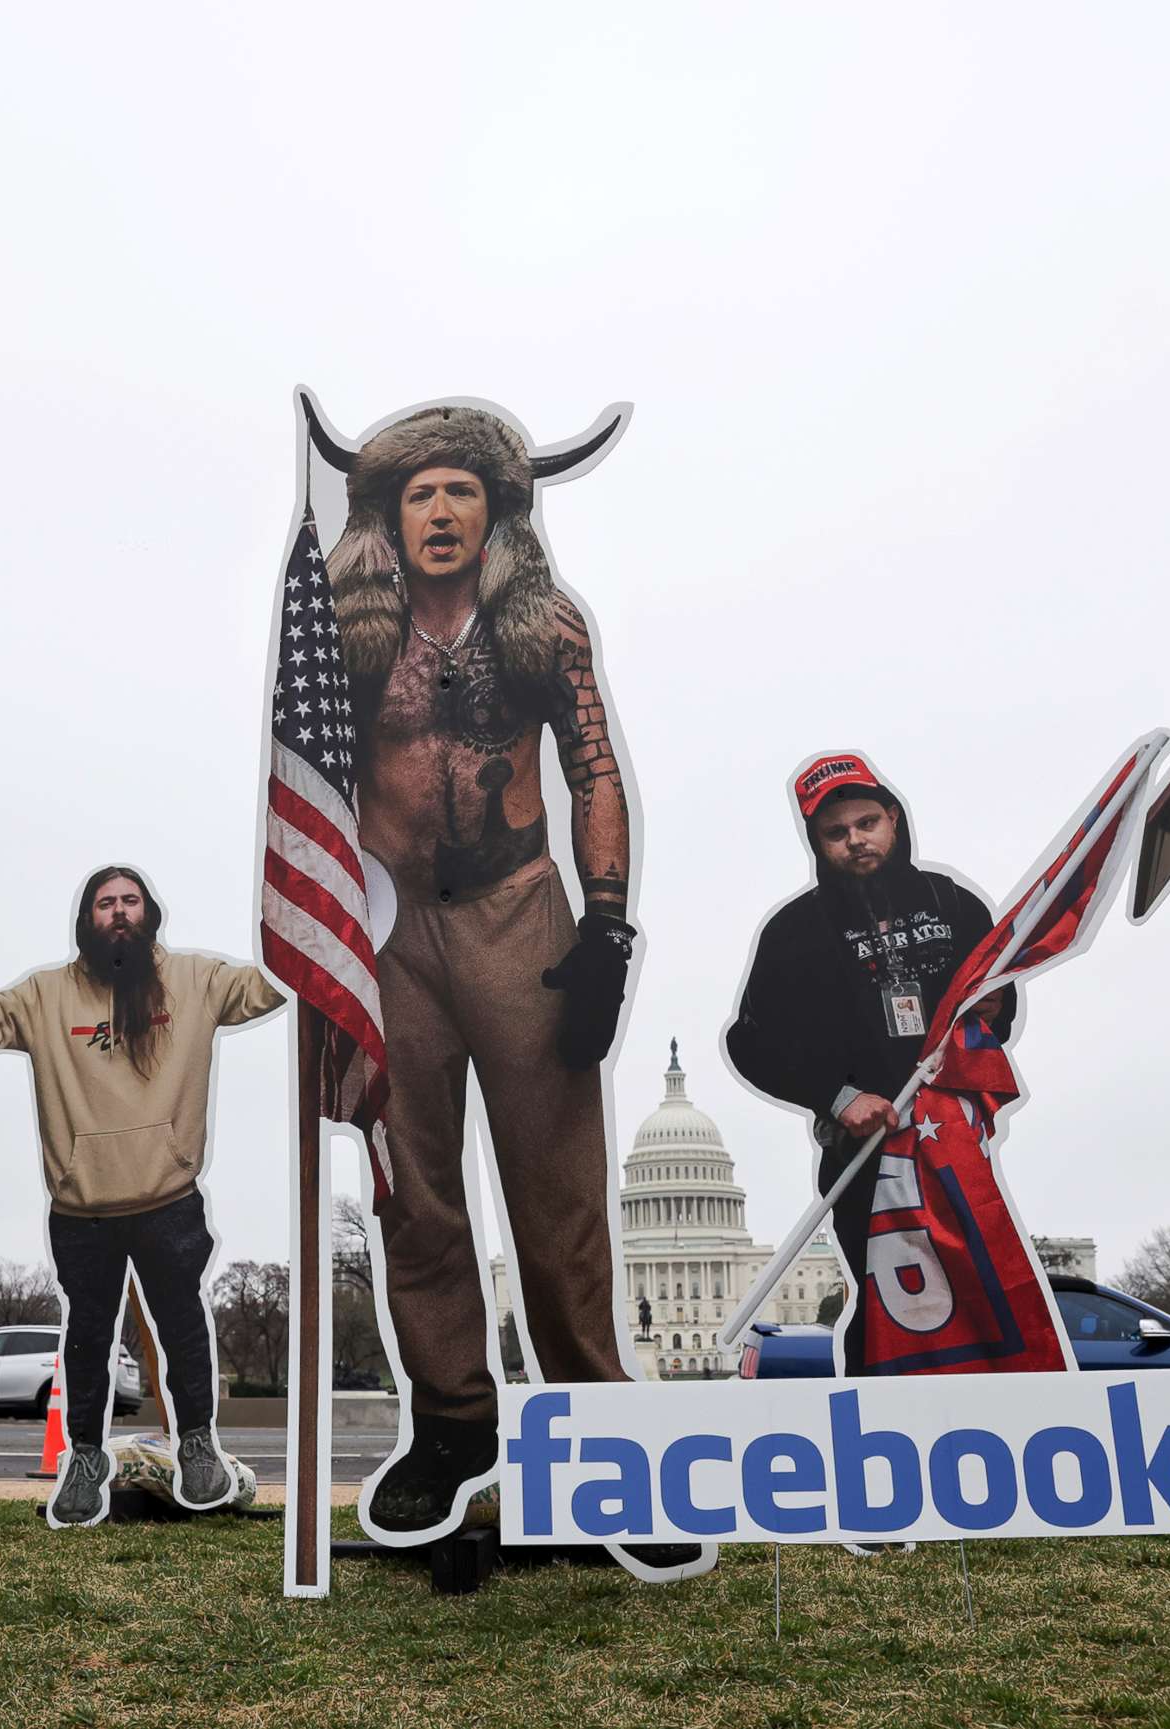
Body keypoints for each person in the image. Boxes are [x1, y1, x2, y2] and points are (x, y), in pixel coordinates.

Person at [323, 403, 692, 1575]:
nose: (439, 511)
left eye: (460, 492)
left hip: (517, 908)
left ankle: (598, 1447)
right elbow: (306, 771)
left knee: (559, 1192)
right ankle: (451, 1429)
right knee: (414, 1195)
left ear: (495, 513)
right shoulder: (343, 628)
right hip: (390, 924)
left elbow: (594, 767)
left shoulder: (542, 623)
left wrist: (611, 923)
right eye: (419, 493)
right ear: (391, 513)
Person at [0, 865, 281, 1526]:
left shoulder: (194, 980)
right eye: (106, 903)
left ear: (149, 912)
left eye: (130, 900)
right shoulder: (48, 996)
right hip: (82, 1206)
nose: (120, 911)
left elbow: (268, 984)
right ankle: (84, 1455)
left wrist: (315, 936)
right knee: (88, 1336)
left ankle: (197, 1445)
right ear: (87, 920)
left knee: (182, 1324)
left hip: (168, 1195)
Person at [723, 753, 1010, 1369]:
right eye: (835, 832)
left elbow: (995, 1011)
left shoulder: (953, 906)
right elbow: (749, 1043)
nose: (855, 840)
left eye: (867, 822)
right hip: (863, 1158)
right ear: (818, 843)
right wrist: (838, 1096)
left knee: (982, 1298)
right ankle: (880, 1439)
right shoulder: (794, 932)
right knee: (893, 1305)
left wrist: (995, 1012)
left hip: (953, 1141)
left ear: (894, 821)